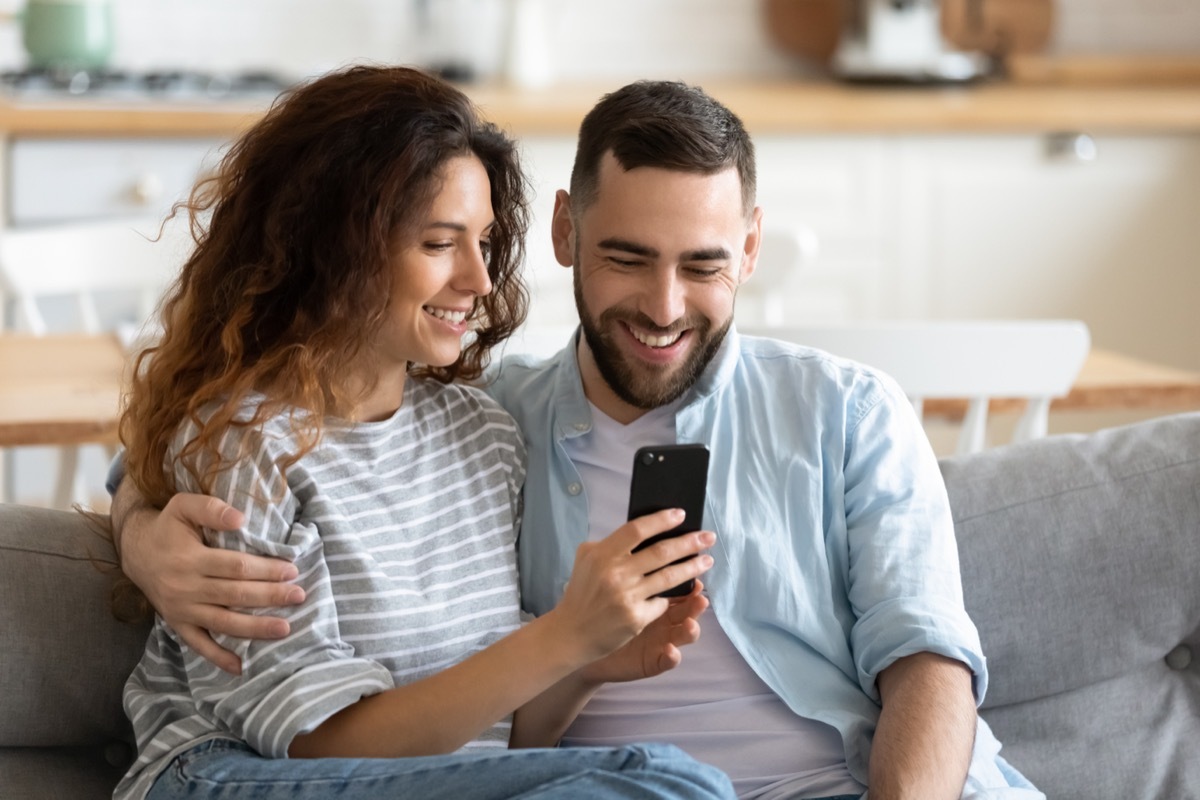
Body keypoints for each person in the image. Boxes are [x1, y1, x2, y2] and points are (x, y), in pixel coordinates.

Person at [109, 79, 1045, 800]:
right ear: (565, 231)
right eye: (628, 258)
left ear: (751, 250)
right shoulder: (505, 416)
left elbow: (928, 660)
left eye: (704, 265)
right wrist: (139, 527)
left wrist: (589, 657)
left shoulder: (844, 414)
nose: (665, 307)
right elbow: (215, 450)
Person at [106, 65, 737, 800]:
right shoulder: (251, 448)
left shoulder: (484, 436)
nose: (478, 279)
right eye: (441, 244)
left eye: (484, 241)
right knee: (660, 783)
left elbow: (490, 748)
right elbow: (319, 745)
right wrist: (561, 635)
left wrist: (587, 661)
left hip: (399, 782)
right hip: (230, 777)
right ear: (336, 249)